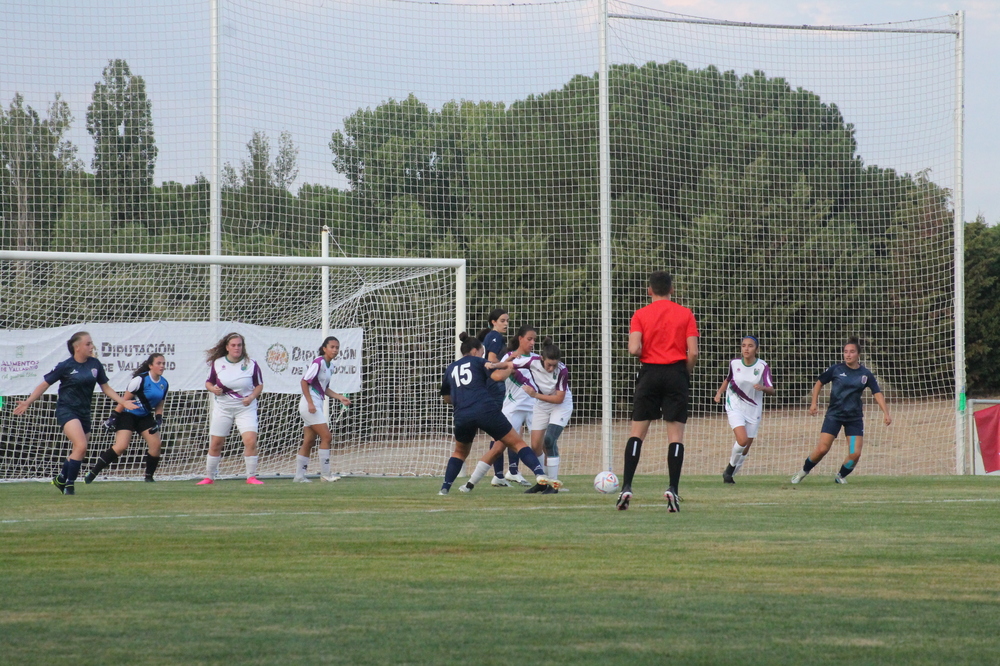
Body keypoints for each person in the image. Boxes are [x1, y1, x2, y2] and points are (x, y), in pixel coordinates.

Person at [12, 331, 137, 495]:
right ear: (77, 347)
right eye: (88, 344)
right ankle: (69, 485)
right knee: (80, 445)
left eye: (91, 343)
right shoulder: (66, 366)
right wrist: (28, 401)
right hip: (67, 410)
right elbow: (44, 385)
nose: (91, 346)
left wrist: (122, 401)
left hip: (84, 412)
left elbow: (105, 388)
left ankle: (61, 478)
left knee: (80, 450)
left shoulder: (95, 364)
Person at [617, 271, 699, 512]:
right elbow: (693, 352)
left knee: (637, 433)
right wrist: (686, 372)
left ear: (649, 290)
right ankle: (672, 488)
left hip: (649, 374)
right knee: (675, 436)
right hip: (676, 373)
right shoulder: (685, 313)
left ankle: (627, 486)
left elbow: (633, 349)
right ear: (672, 290)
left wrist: (645, 349)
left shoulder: (640, 314)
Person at [438, 333, 552, 495]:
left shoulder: (450, 368)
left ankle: (445, 488)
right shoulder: (479, 361)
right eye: (482, 352)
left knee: (459, 452)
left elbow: (447, 398)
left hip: (462, 414)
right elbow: (497, 376)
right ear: (475, 351)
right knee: (517, 443)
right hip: (485, 409)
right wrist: (510, 368)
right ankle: (540, 475)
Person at [791, 336, 892, 484]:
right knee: (822, 449)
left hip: (854, 418)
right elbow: (819, 382)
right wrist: (814, 403)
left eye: (851, 352)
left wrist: (886, 413)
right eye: (845, 352)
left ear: (858, 354)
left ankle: (840, 476)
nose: (848, 355)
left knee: (855, 454)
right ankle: (802, 472)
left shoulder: (865, 374)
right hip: (834, 415)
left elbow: (877, 393)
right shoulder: (836, 369)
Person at [85, 353, 170, 483]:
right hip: (127, 414)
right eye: (159, 363)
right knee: (121, 446)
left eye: (163, 363)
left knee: (156, 444)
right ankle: (93, 472)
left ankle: (149, 477)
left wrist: (158, 418)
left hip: (144, 416)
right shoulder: (139, 380)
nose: (162, 366)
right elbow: (124, 400)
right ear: (150, 365)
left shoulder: (164, 383)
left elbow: (159, 403)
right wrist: (113, 417)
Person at [198, 332, 265, 485]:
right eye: (233, 345)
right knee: (216, 443)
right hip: (223, 408)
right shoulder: (217, 363)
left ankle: (251, 477)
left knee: (250, 441)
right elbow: (208, 382)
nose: (237, 348)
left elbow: (259, 385)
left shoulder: (251, 364)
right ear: (227, 347)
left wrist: (251, 397)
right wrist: (213, 389)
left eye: (239, 345)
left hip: (245, 408)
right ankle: (209, 477)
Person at [714, 336, 774, 484]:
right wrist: (719, 392)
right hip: (735, 405)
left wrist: (763, 388)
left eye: (750, 346)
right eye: (744, 345)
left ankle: (730, 474)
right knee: (742, 439)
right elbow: (728, 379)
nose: (746, 348)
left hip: (753, 408)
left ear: (757, 349)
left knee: (746, 448)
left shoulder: (762, 366)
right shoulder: (734, 363)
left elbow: (772, 390)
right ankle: (729, 471)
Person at [293, 336, 352, 483]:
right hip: (310, 405)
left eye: (337, 347)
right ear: (324, 348)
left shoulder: (330, 366)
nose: (335, 350)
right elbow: (304, 382)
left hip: (315, 403)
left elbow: (323, 388)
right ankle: (326, 475)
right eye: (332, 347)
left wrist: (339, 397)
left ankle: (299, 477)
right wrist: (310, 403)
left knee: (309, 440)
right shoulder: (318, 362)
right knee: (326, 437)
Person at [526, 337, 572, 491]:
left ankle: (554, 483)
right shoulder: (532, 362)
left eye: (554, 365)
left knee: (550, 440)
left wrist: (534, 395)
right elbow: (512, 365)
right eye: (548, 365)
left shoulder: (562, 370)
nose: (551, 368)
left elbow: (559, 398)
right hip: (542, 405)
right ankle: (542, 482)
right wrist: (495, 365)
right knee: (535, 446)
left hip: (560, 405)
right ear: (542, 359)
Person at [498, 324, 540, 486]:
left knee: (538, 444)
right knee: (500, 443)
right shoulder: (508, 357)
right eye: (529, 339)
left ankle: (545, 479)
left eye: (534, 340)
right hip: (513, 407)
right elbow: (498, 375)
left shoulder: (536, 359)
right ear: (520, 339)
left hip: (534, 408)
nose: (532, 342)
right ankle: (497, 475)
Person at [477, 308, 514, 487]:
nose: (506, 323)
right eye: (502, 320)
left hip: (492, 387)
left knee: (500, 432)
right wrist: (508, 365)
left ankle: (500, 475)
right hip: (495, 387)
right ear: (493, 322)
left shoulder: (491, 337)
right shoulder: (495, 337)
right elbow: (490, 362)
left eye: (507, 320)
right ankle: (506, 473)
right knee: (505, 432)